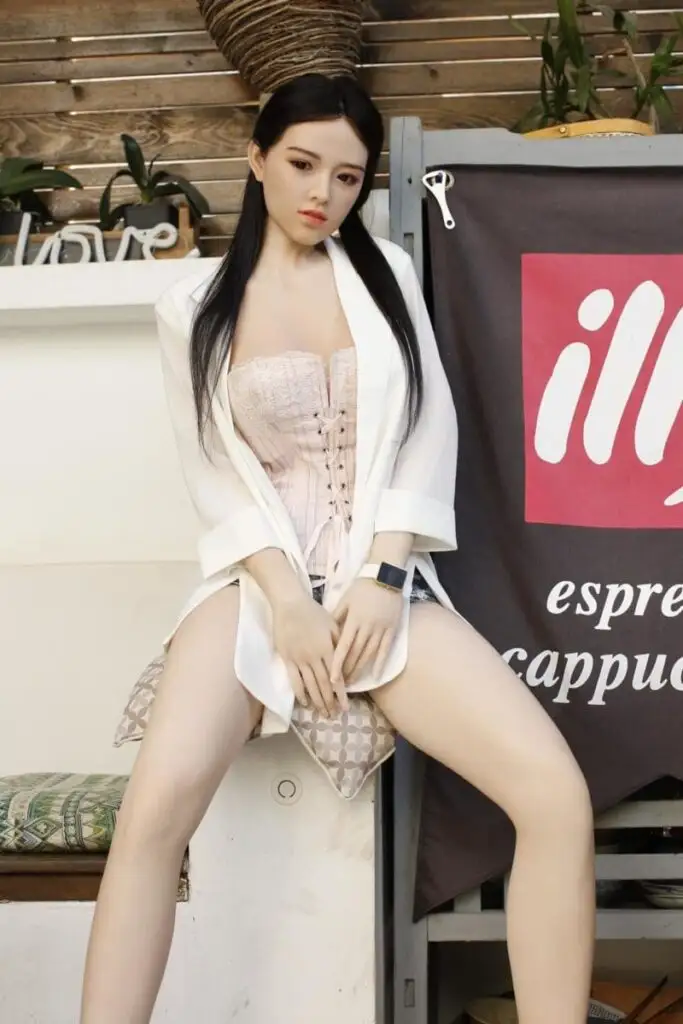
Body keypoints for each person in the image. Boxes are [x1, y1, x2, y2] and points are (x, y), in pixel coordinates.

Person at [79, 73, 595, 1024]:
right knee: (150, 819)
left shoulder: (385, 277)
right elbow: (212, 473)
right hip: (257, 587)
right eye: (302, 164)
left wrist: (385, 575)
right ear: (256, 158)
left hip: (379, 581)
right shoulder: (192, 304)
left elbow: (428, 428)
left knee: (556, 797)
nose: (322, 193)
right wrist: (284, 603)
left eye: (348, 177)